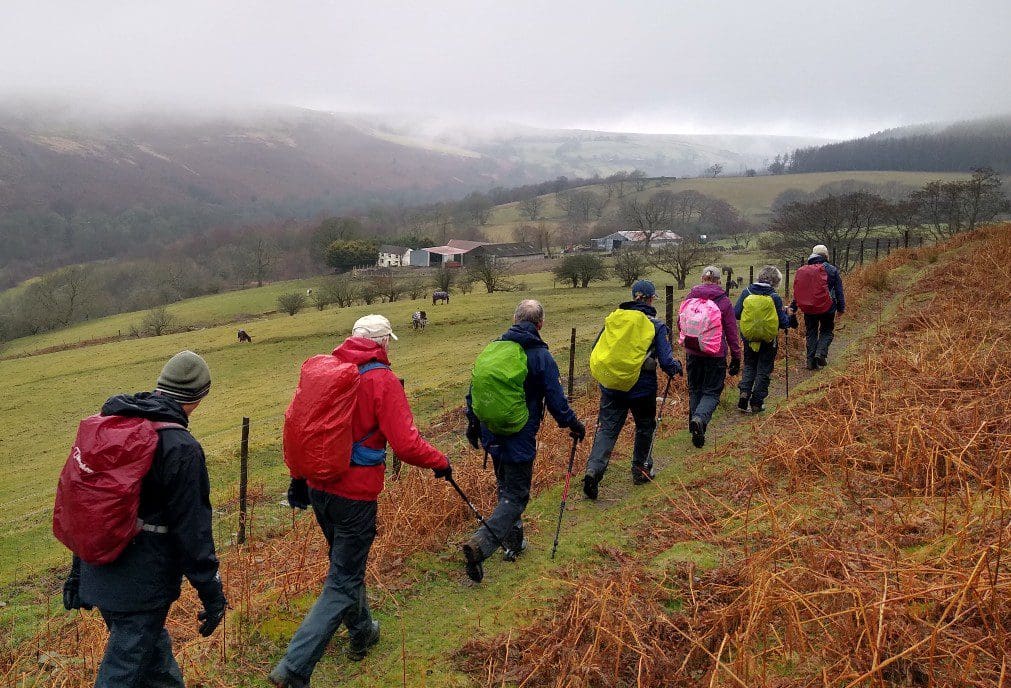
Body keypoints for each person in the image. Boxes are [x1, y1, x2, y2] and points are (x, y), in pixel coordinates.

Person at [270, 315, 451, 687]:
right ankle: (294, 668)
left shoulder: (325, 372)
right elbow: (406, 445)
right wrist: (440, 462)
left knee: (345, 566)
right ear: (382, 343)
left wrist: (298, 477)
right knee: (342, 579)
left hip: (319, 487)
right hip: (355, 494)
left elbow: (299, 428)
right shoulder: (381, 379)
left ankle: (362, 632)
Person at [61, 350, 226, 688]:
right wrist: (212, 594)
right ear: (199, 397)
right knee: (122, 672)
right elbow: (193, 532)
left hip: (100, 569)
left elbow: (85, 505)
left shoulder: (112, 424)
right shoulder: (181, 447)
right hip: (142, 585)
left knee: (154, 663)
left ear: (160, 385)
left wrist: (78, 573)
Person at [462, 299, 585, 583]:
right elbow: (556, 401)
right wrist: (574, 424)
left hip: (492, 431)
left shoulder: (494, 349)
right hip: (520, 434)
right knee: (516, 497)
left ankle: (514, 543)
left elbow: (473, 391)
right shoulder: (541, 356)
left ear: (514, 319)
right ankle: (481, 545)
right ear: (540, 324)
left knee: (506, 488)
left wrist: (473, 425)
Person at [582, 280, 682, 500]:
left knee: (607, 429)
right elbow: (666, 362)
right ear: (650, 299)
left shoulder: (614, 318)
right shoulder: (655, 325)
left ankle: (593, 470)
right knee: (645, 426)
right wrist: (676, 367)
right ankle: (640, 470)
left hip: (612, 386)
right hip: (642, 388)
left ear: (633, 296)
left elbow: (596, 347)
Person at [683, 266, 742, 448]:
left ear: (702, 279)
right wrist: (736, 356)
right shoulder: (723, 301)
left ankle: (695, 425)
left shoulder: (690, 297)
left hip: (693, 352)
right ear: (718, 281)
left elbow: (681, 323)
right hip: (715, 354)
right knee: (712, 392)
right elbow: (731, 331)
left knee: (695, 390)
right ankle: (700, 419)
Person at [734, 266, 796, 414]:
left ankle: (744, 393)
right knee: (764, 369)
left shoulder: (746, 292)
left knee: (749, 365)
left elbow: (736, 314)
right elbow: (783, 323)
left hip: (749, 338)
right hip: (769, 339)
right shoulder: (774, 296)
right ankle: (757, 402)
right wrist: (788, 314)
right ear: (776, 281)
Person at [791, 244, 845, 370]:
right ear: (826, 255)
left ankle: (810, 361)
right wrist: (841, 308)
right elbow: (839, 290)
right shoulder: (832, 269)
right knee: (826, 330)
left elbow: (799, 291)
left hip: (809, 308)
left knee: (811, 332)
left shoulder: (804, 270)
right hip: (828, 306)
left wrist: (794, 307)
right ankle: (820, 353)